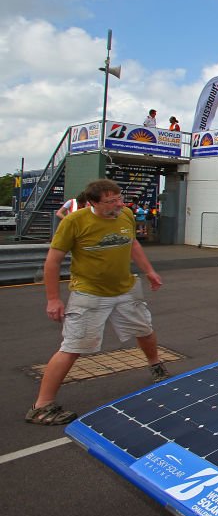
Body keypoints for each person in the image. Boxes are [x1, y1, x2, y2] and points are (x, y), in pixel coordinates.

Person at [26, 179, 169, 426]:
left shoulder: (125, 214)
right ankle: (41, 406)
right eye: (110, 201)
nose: (118, 204)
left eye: (119, 198)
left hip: (126, 289)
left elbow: (132, 244)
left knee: (144, 330)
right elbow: (53, 262)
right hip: (89, 294)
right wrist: (53, 299)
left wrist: (149, 271)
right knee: (73, 346)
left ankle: (156, 365)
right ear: (92, 202)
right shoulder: (74, 222)